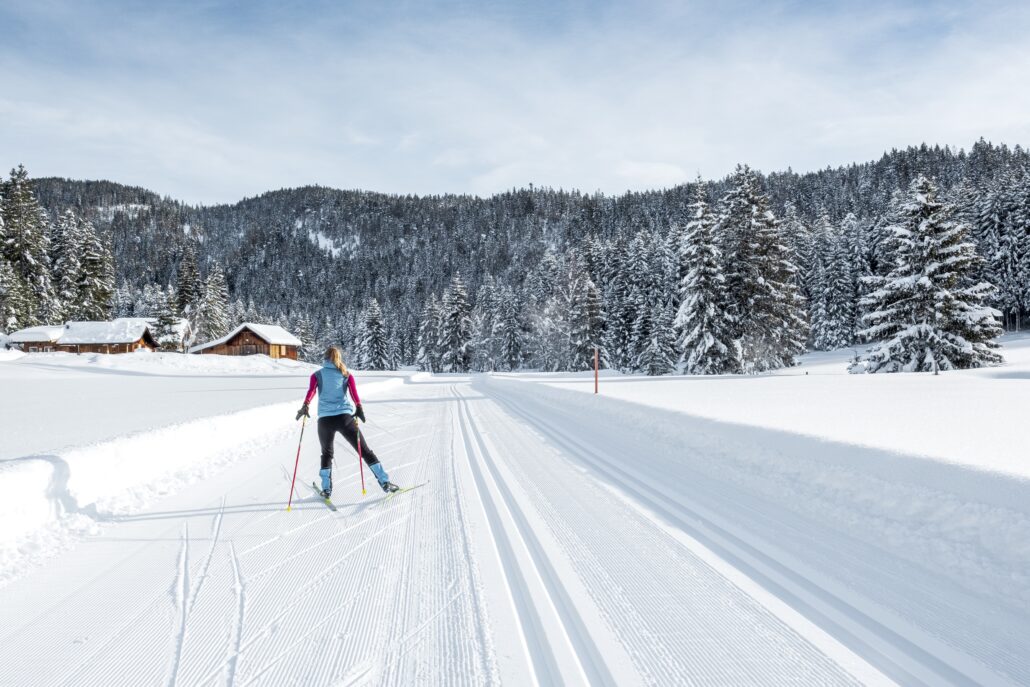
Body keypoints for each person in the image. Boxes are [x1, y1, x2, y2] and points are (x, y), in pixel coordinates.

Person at [296, 346, 399, 497]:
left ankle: (326, 489)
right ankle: (384, 481)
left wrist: (305, 405)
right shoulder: (346, 374)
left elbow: (311, 392)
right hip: (344, 418)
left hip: (324, 421)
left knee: (326, 454)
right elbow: (354, 394)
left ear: (324, 358)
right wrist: (359, 408)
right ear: (339, 358)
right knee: (365, 451)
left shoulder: (317, 375)